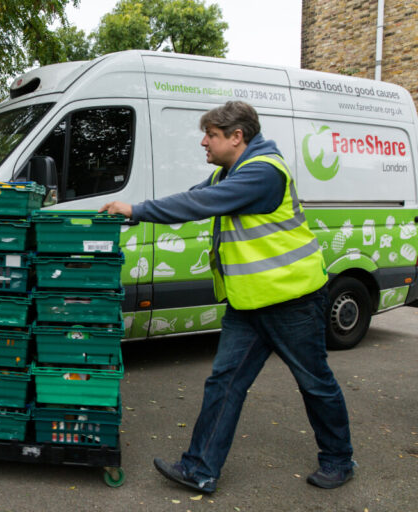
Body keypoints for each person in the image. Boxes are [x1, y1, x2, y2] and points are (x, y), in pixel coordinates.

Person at [100, 101, 355, 493]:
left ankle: (339, 460)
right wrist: (132, 215)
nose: (204, 142)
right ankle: (200, 468)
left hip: (292, 300)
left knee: (315, 382)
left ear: (237, 137)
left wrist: (135, 207)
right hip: (250, 303)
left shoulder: (264, 173)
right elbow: (191, 197)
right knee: (224, 382)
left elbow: (199, 204)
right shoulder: (229, 172)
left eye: (212, 135)